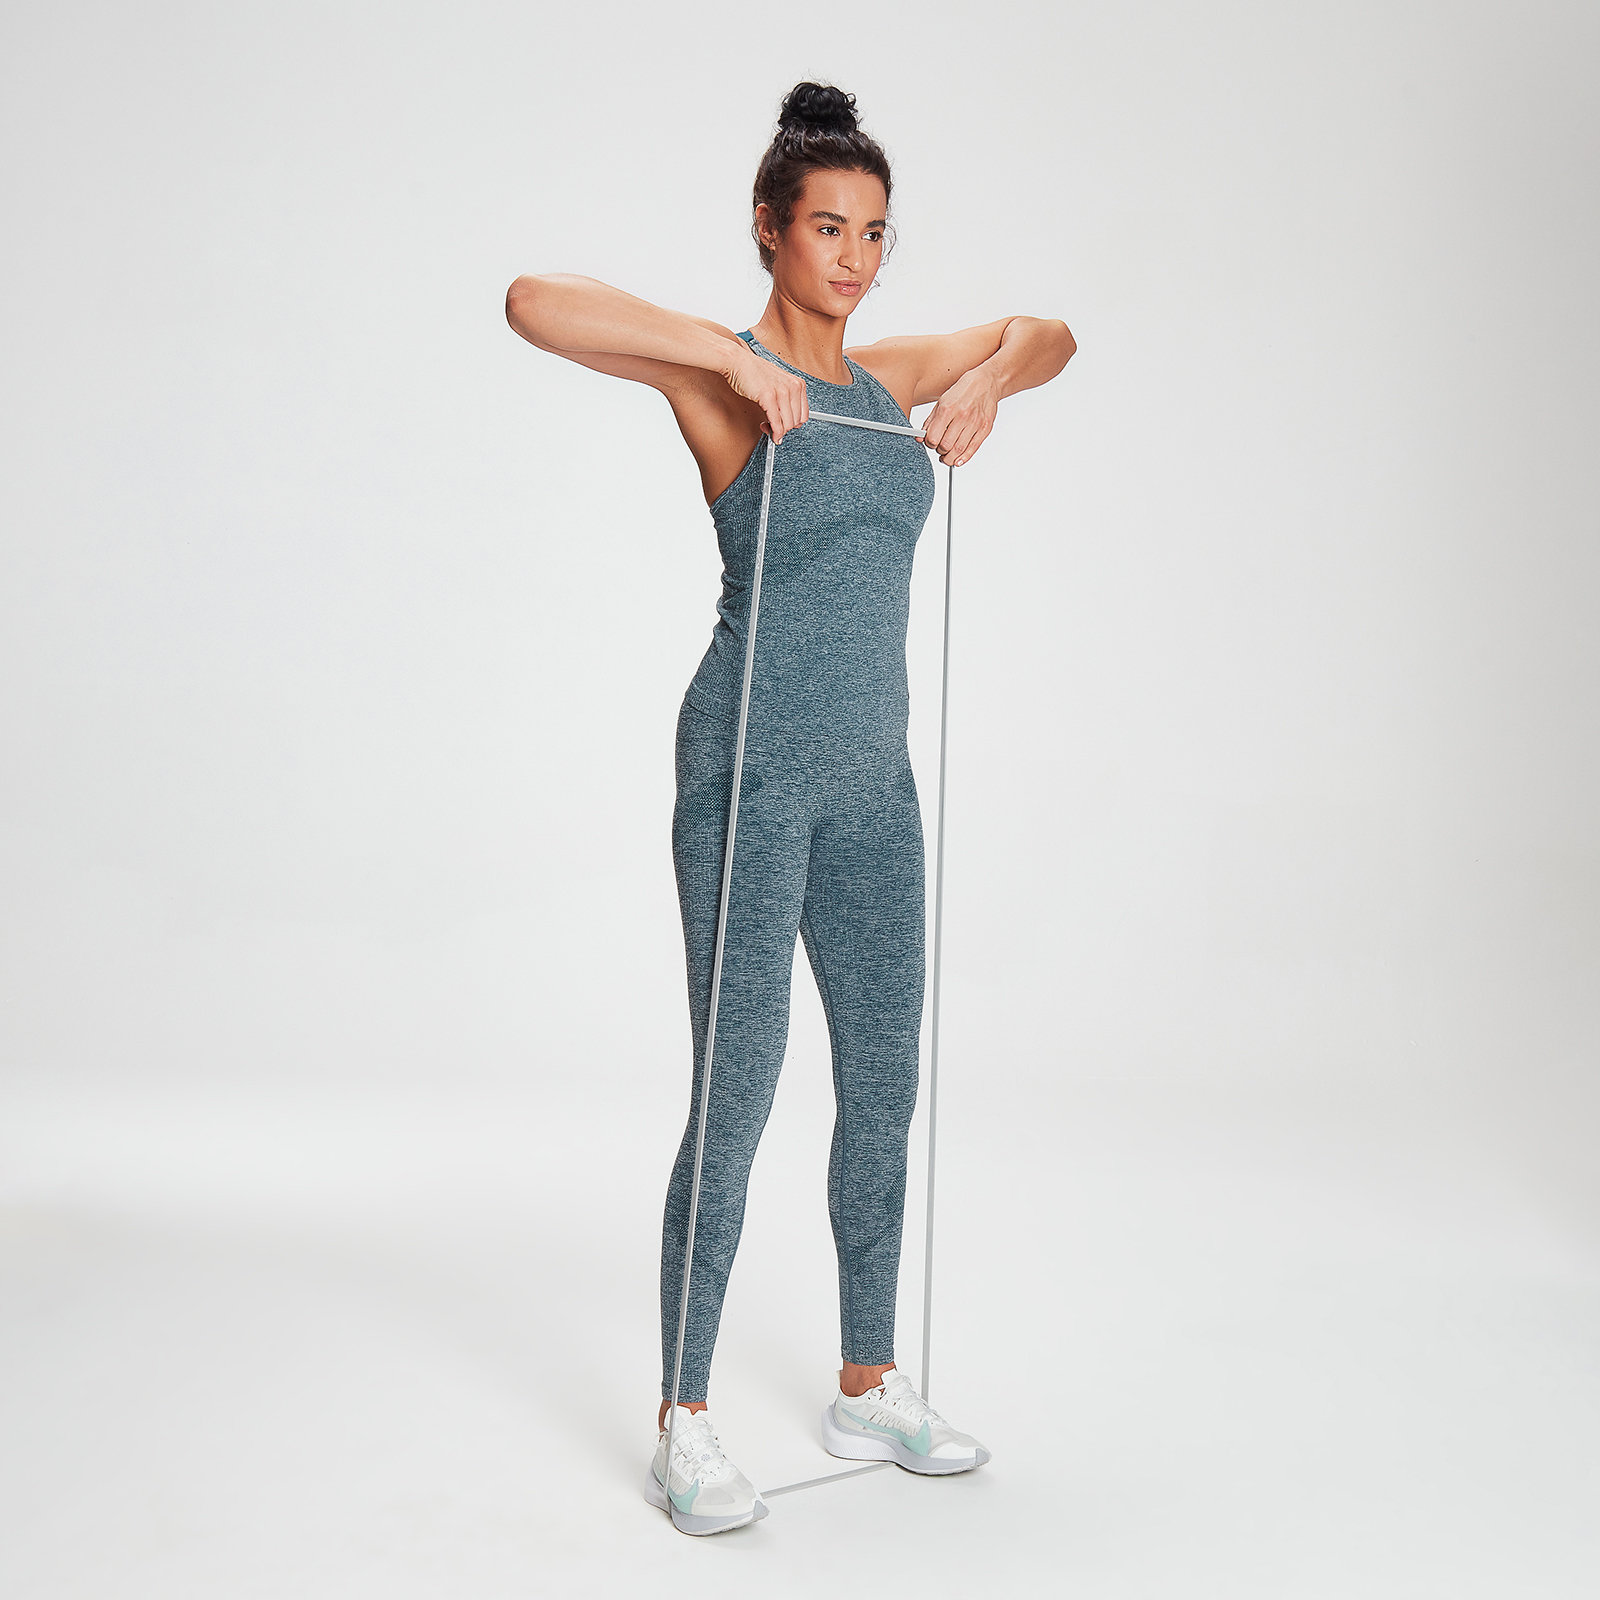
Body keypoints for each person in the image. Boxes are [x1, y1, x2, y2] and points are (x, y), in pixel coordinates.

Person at [506, 81, 1074, 1535]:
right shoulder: (723, 384)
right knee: (742, 1085)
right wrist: (722, 353)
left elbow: (1048, 331)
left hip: (875, 779)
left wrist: (991, 385)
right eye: (829, 228)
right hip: (749, 769)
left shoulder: (884, 379)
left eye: (875, 233)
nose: (855, 258)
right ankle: (683, 1418)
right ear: (770, 229)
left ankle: (867, 1381)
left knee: (884, 1081)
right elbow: (532, 303)